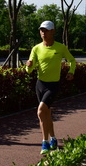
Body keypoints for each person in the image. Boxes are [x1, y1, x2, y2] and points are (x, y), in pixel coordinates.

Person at [25, 20, 77, 155]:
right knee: (47, 113)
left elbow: (72, 60)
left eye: (46, 30)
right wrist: (29, 65)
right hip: (40, 85)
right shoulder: (36, 48)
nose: (43, 33)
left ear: (53, 31)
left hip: (53, 85)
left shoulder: (60, 47)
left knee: (41, 111)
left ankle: (45, 142)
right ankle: (53, 139)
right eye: (41, 30)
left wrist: (71, 72)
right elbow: (29, 71)